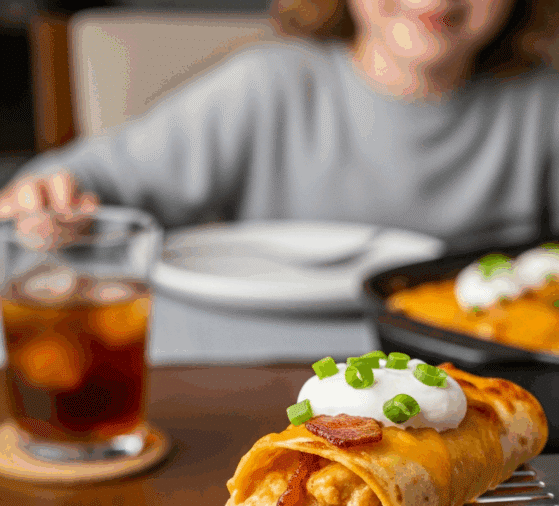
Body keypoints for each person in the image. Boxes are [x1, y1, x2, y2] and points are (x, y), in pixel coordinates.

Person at [1, 0, 559, 251]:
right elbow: (85, 177)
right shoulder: (268, 85)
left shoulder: (542, 105)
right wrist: (47, 200)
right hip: (267, 368)